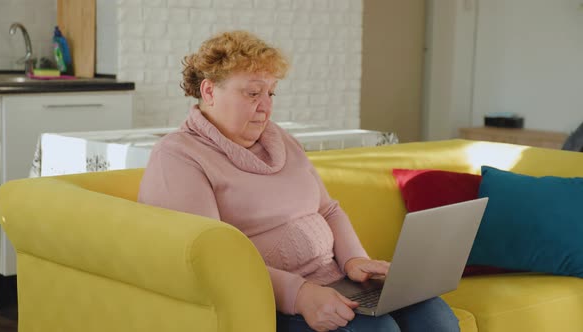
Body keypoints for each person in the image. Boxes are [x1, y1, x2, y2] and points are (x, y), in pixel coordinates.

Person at [138, 30, 459, 332]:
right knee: (376, 329)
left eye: (270, 92)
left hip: (333, 280)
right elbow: (211, 261)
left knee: (434, 315)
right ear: (209, 91)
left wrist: (355, 260)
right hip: (268, 301)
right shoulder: (179, 157)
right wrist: (300, 295)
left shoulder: (281, 140)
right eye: (252, 93)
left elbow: (328, 209)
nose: (265, 107)